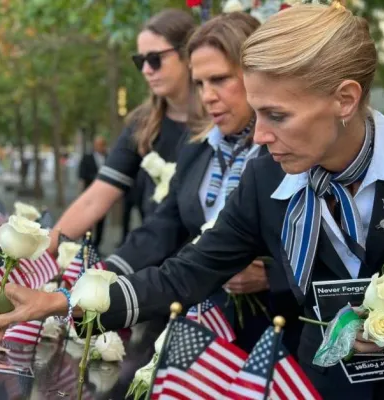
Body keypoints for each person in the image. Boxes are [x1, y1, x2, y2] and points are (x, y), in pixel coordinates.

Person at [0, 4, 384, 399]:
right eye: (257, 113)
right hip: (316, 385)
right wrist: (65, 299)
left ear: (345, 99)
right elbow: (186, 273)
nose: (263, 135)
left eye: (277, 115)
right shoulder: (266, 175)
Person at [102, 12, 299, 353]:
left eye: (220, 79)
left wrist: (272, 277)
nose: (207, 96)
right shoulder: (195, 148)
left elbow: (335, 250)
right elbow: (163, 227)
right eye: (200, 83)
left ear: (257, 75)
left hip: (279, 336)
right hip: (203, 330)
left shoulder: (294, 152)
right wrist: (101, 276)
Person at [48, 9, 209, 253]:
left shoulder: (222, 118)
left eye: (155, 59)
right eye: (140, 61)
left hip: (215, 266)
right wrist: (43, 251)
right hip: (154, 260)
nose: (146, 70)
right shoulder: (142, 124)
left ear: (187, 55)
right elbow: (96, 197)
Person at [78, 136, 108, 249]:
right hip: (89, 192)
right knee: (88, 220)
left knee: (101, 221)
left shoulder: (108, 158)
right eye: (97, 144)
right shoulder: (87, 158)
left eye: (102, 144)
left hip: (104, 195)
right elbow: (82, 174)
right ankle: (87, 244)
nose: (100, 147)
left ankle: (97, 245)